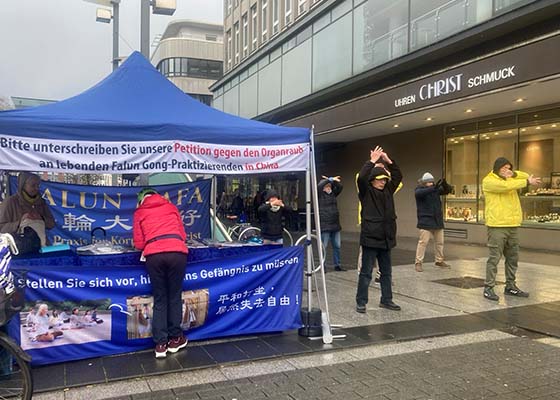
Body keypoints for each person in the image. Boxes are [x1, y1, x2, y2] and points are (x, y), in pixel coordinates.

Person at [133, 187, 189, 358]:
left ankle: (160, 344)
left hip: (154, 256)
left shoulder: (139, 212)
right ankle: (175, 339)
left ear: (141, 200)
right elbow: (183, 235)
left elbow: (139, 244)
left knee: (160, 298)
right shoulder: (171, 207)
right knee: (174, 296)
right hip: (177, 253)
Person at [481, 157, 541, 301]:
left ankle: (510, 286)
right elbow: (506, 186)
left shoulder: (511, 178)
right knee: (494, 258)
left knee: (513, 258)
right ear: (496, 168)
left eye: (508, 168)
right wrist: (526, 182)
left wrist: (513, 174)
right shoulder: (488, 181)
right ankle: (488, 288)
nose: (506, 170)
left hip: (512, 225)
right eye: (503, 168)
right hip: (497, 225)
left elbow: (525, 175)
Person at [356, 146, 402, 313]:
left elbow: (398, 176)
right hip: (370, 238)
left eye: (385, 179)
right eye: (380, 179)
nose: (383, 182)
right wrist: (372, 161)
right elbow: (361, 177)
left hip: (386, 238)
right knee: (366, 272)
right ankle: (361, 301)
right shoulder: (366, 192)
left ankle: (386, 300)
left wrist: (389, 162)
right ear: (373, 180)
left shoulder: (388, 190)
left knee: (386, 272)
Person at [0, 172, 55, 247]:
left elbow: (52, 224)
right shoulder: (10, 202)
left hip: (41, 246)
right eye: (33, 185)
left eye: (38, 185)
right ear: (23, 185)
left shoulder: (41, 202)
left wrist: (41, 218)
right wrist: (20, 222)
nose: (36, 188)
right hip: (18, 247)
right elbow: (1, 228)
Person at [414, 172, 453, 272]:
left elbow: (448, 190)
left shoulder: (435, 190)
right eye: (429, 182)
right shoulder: (419, 190)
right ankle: (418, 262)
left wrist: (445, 185)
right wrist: (434, 188)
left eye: (432, 182)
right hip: (425, 221)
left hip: (437, 221)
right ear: (424, 183)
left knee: (440, 242)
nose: (431, 184)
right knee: (423, 243)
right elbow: (420, 193)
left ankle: (439, 260)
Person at [318, 175, 344, 271]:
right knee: (323, 247)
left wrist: (333, 181)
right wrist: (329, 179)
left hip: (335, 224)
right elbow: (319, 186)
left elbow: (340, 187)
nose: (328, 187)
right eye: (327, 186)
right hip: (325, 225)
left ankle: (337, 265)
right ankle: (322, 265)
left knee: (337, 246)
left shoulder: (333, 194)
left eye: (330, 186)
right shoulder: (319, 195)